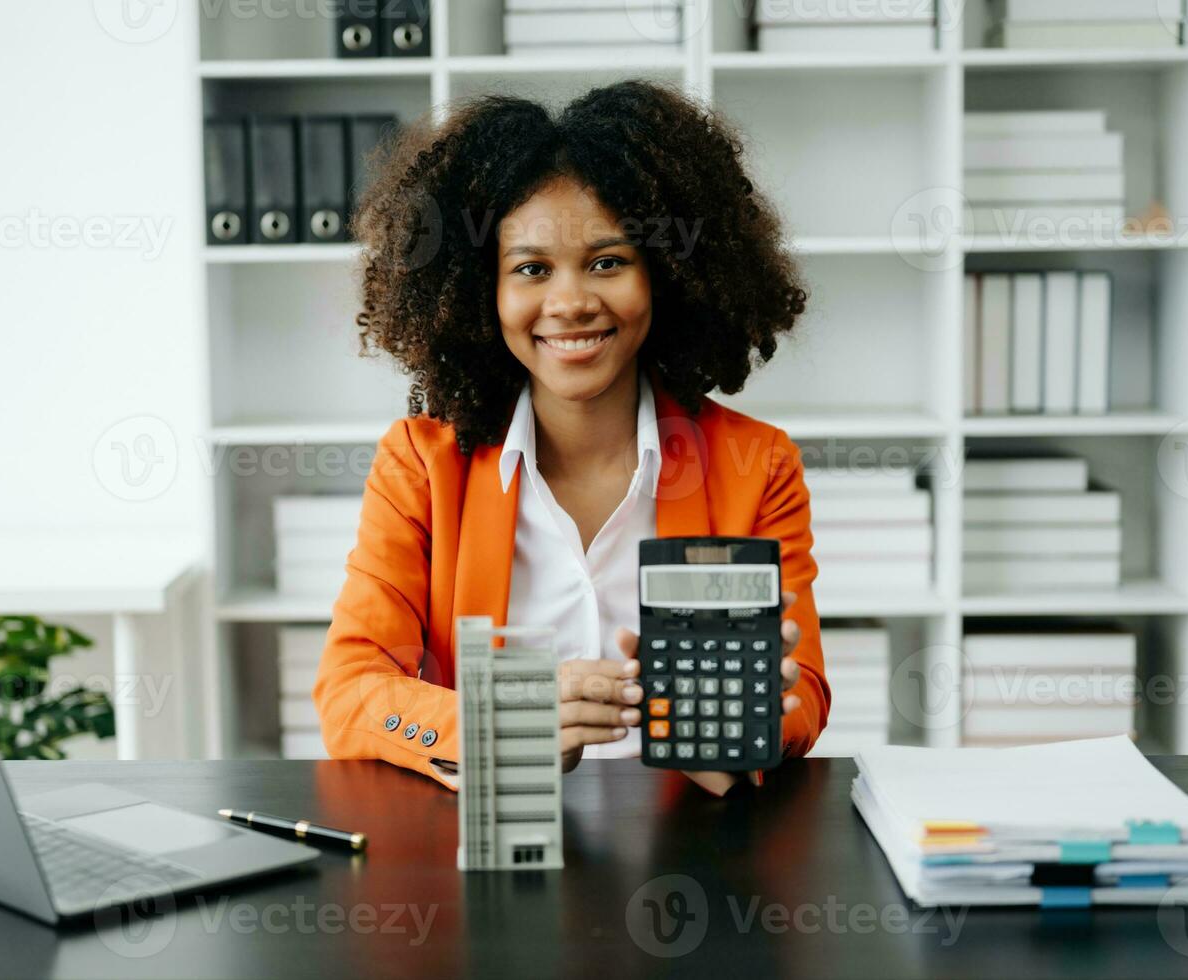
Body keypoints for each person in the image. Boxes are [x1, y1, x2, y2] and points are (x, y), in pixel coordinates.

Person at [313, 79, 830, 796]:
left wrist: (751, 725)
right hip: (491, 862)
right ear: (478, 292)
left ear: (669, 276)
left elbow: (803, 690)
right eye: (530, 269)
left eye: (608, 261)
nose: (570, 303)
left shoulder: (756, 463)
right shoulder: (421, 465)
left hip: (693, 858)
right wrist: (502, 727)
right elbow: (349, 690)